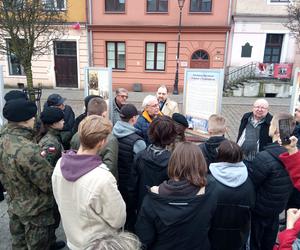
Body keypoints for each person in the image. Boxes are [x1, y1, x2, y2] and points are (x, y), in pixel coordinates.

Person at [52, 115, 126, 250]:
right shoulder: (103, 178)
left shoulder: (59, 165)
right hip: (97, 244)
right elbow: (118, 219)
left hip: (73, 239)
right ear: (101, 142)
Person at [135, 142, 218, 250]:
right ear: (201, 164)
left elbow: (144, 239)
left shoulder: (152, 199)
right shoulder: (211, 191)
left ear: (172, 163)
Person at [0, 99, 57, 249]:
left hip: (14, 204)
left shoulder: (2, 138)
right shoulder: (28, 150)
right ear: (27, 120)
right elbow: (49, 183)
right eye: (33, 117)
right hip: (36, 211)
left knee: (19, 245)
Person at [246, 112, 295, 250]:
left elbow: (251, 185)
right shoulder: (294, 156)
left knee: (254, 242)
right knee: (269, 240)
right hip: (277, 209)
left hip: (259, 210)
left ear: (275, 129)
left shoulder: (264, 157)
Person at [209, 140, 255, 250]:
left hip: (212, 237)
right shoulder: (249, 183)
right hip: (237, 238)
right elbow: (251, 208)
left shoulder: (209, 182)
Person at [130, 116, 177, 211]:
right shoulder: (174, 161)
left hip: (142, 207)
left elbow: (132, 188)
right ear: (171, 136)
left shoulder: (140, 156)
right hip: (163, 210)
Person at [112, 104, 146, 231]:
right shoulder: (138, 141)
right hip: (131, 184)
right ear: (133, 119)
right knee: (130, 213)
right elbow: (143, 166)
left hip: (116, 180)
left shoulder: (112, 132)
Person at [70, 97, 119, 179]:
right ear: (104, 114)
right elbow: (110, 168)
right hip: (100, 184)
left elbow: (73, 159)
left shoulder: (77, 134)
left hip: (78, 179)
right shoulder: (109, 138)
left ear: (88, 113)